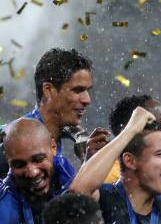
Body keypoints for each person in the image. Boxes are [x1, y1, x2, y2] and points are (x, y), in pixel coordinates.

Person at [0, 48, 93, 179]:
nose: (87, 100)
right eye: (77, 90)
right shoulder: (15, 144)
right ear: (48, 90)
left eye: (87, 90)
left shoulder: (62, 134)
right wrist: (89, 162)